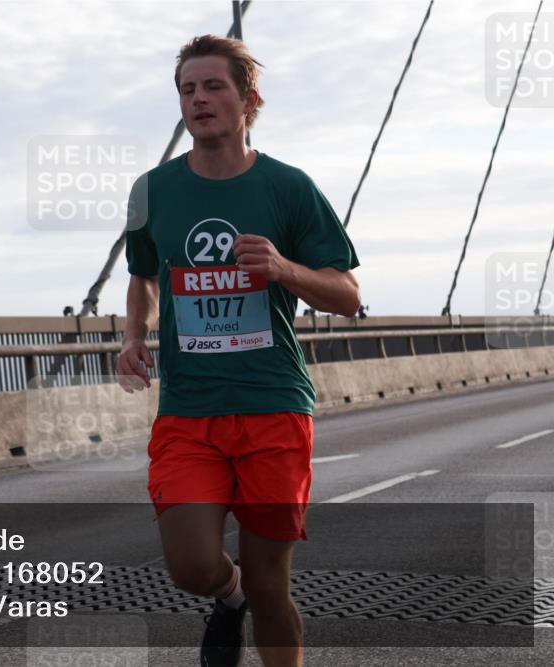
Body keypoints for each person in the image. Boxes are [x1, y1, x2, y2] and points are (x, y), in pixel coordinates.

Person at [117, 35, 360, 667]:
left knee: (271, 585)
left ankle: (251, 607)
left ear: (248, 100)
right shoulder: (152, 191)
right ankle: (226, 601)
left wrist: (283, 268)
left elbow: (348, 295)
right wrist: (134, 337)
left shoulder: (288, 187)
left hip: (273, 406)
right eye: (187, 89)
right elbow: (143, 273)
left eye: (213, 86)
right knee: (192, 565)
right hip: (189, 411)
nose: (198, 99)